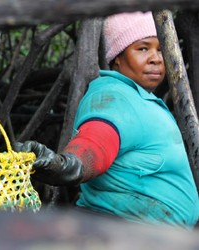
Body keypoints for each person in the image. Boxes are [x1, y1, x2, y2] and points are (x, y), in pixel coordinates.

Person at [14, 11, 199, 229]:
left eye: (160, 49)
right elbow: (96, 141)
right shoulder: (113, 97)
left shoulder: (139, 97)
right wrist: (66, 166)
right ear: (118, 57)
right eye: (142, 48)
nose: (156, 58)